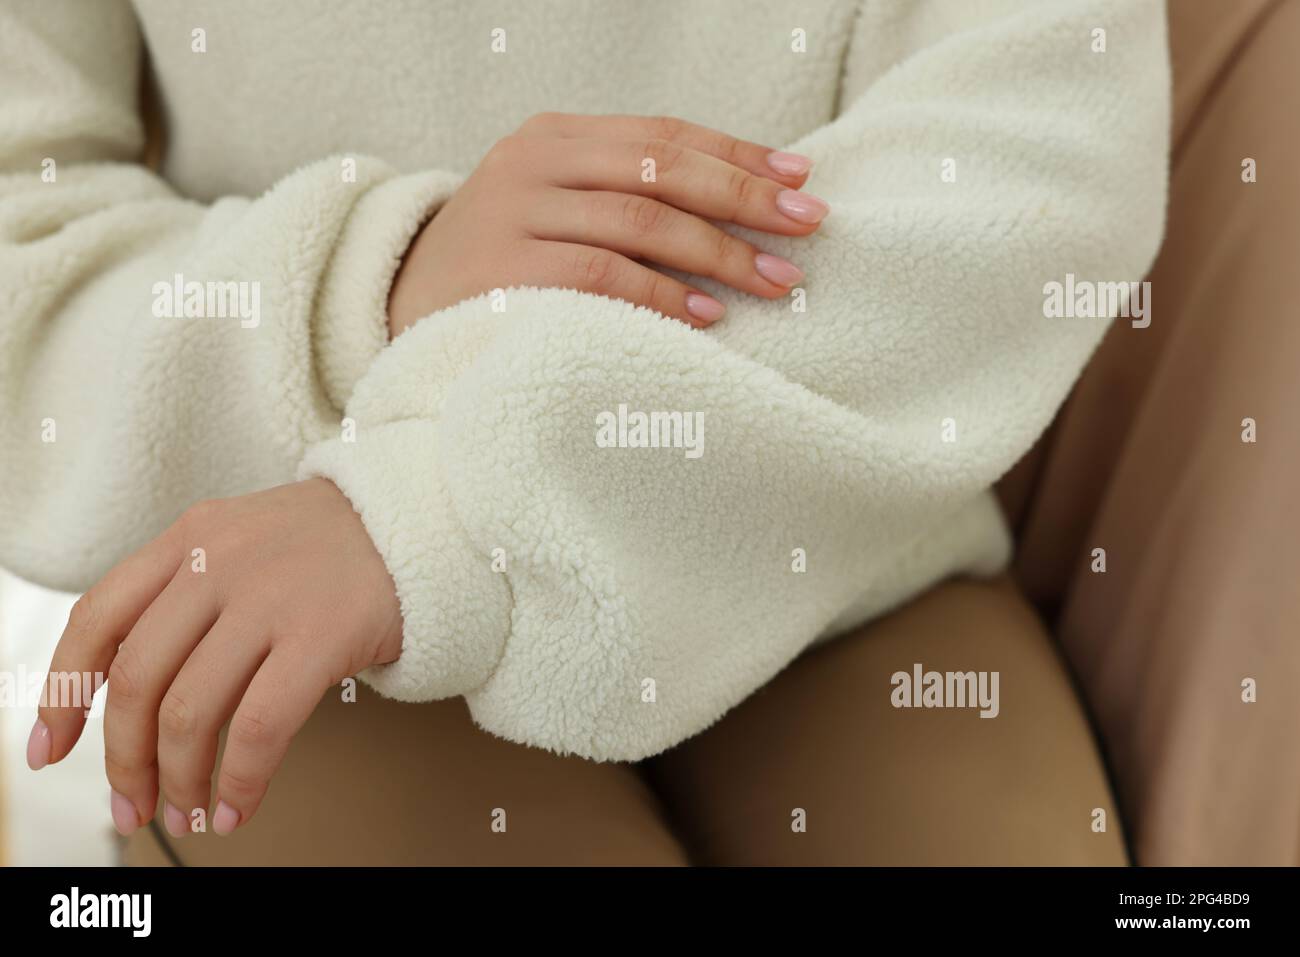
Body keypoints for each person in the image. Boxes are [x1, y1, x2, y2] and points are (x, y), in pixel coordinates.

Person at [2, 0, 1167, 864]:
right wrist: (370, 286)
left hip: (846, 563)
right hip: (300, 627)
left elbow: (1026, 178)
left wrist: (438, 511)